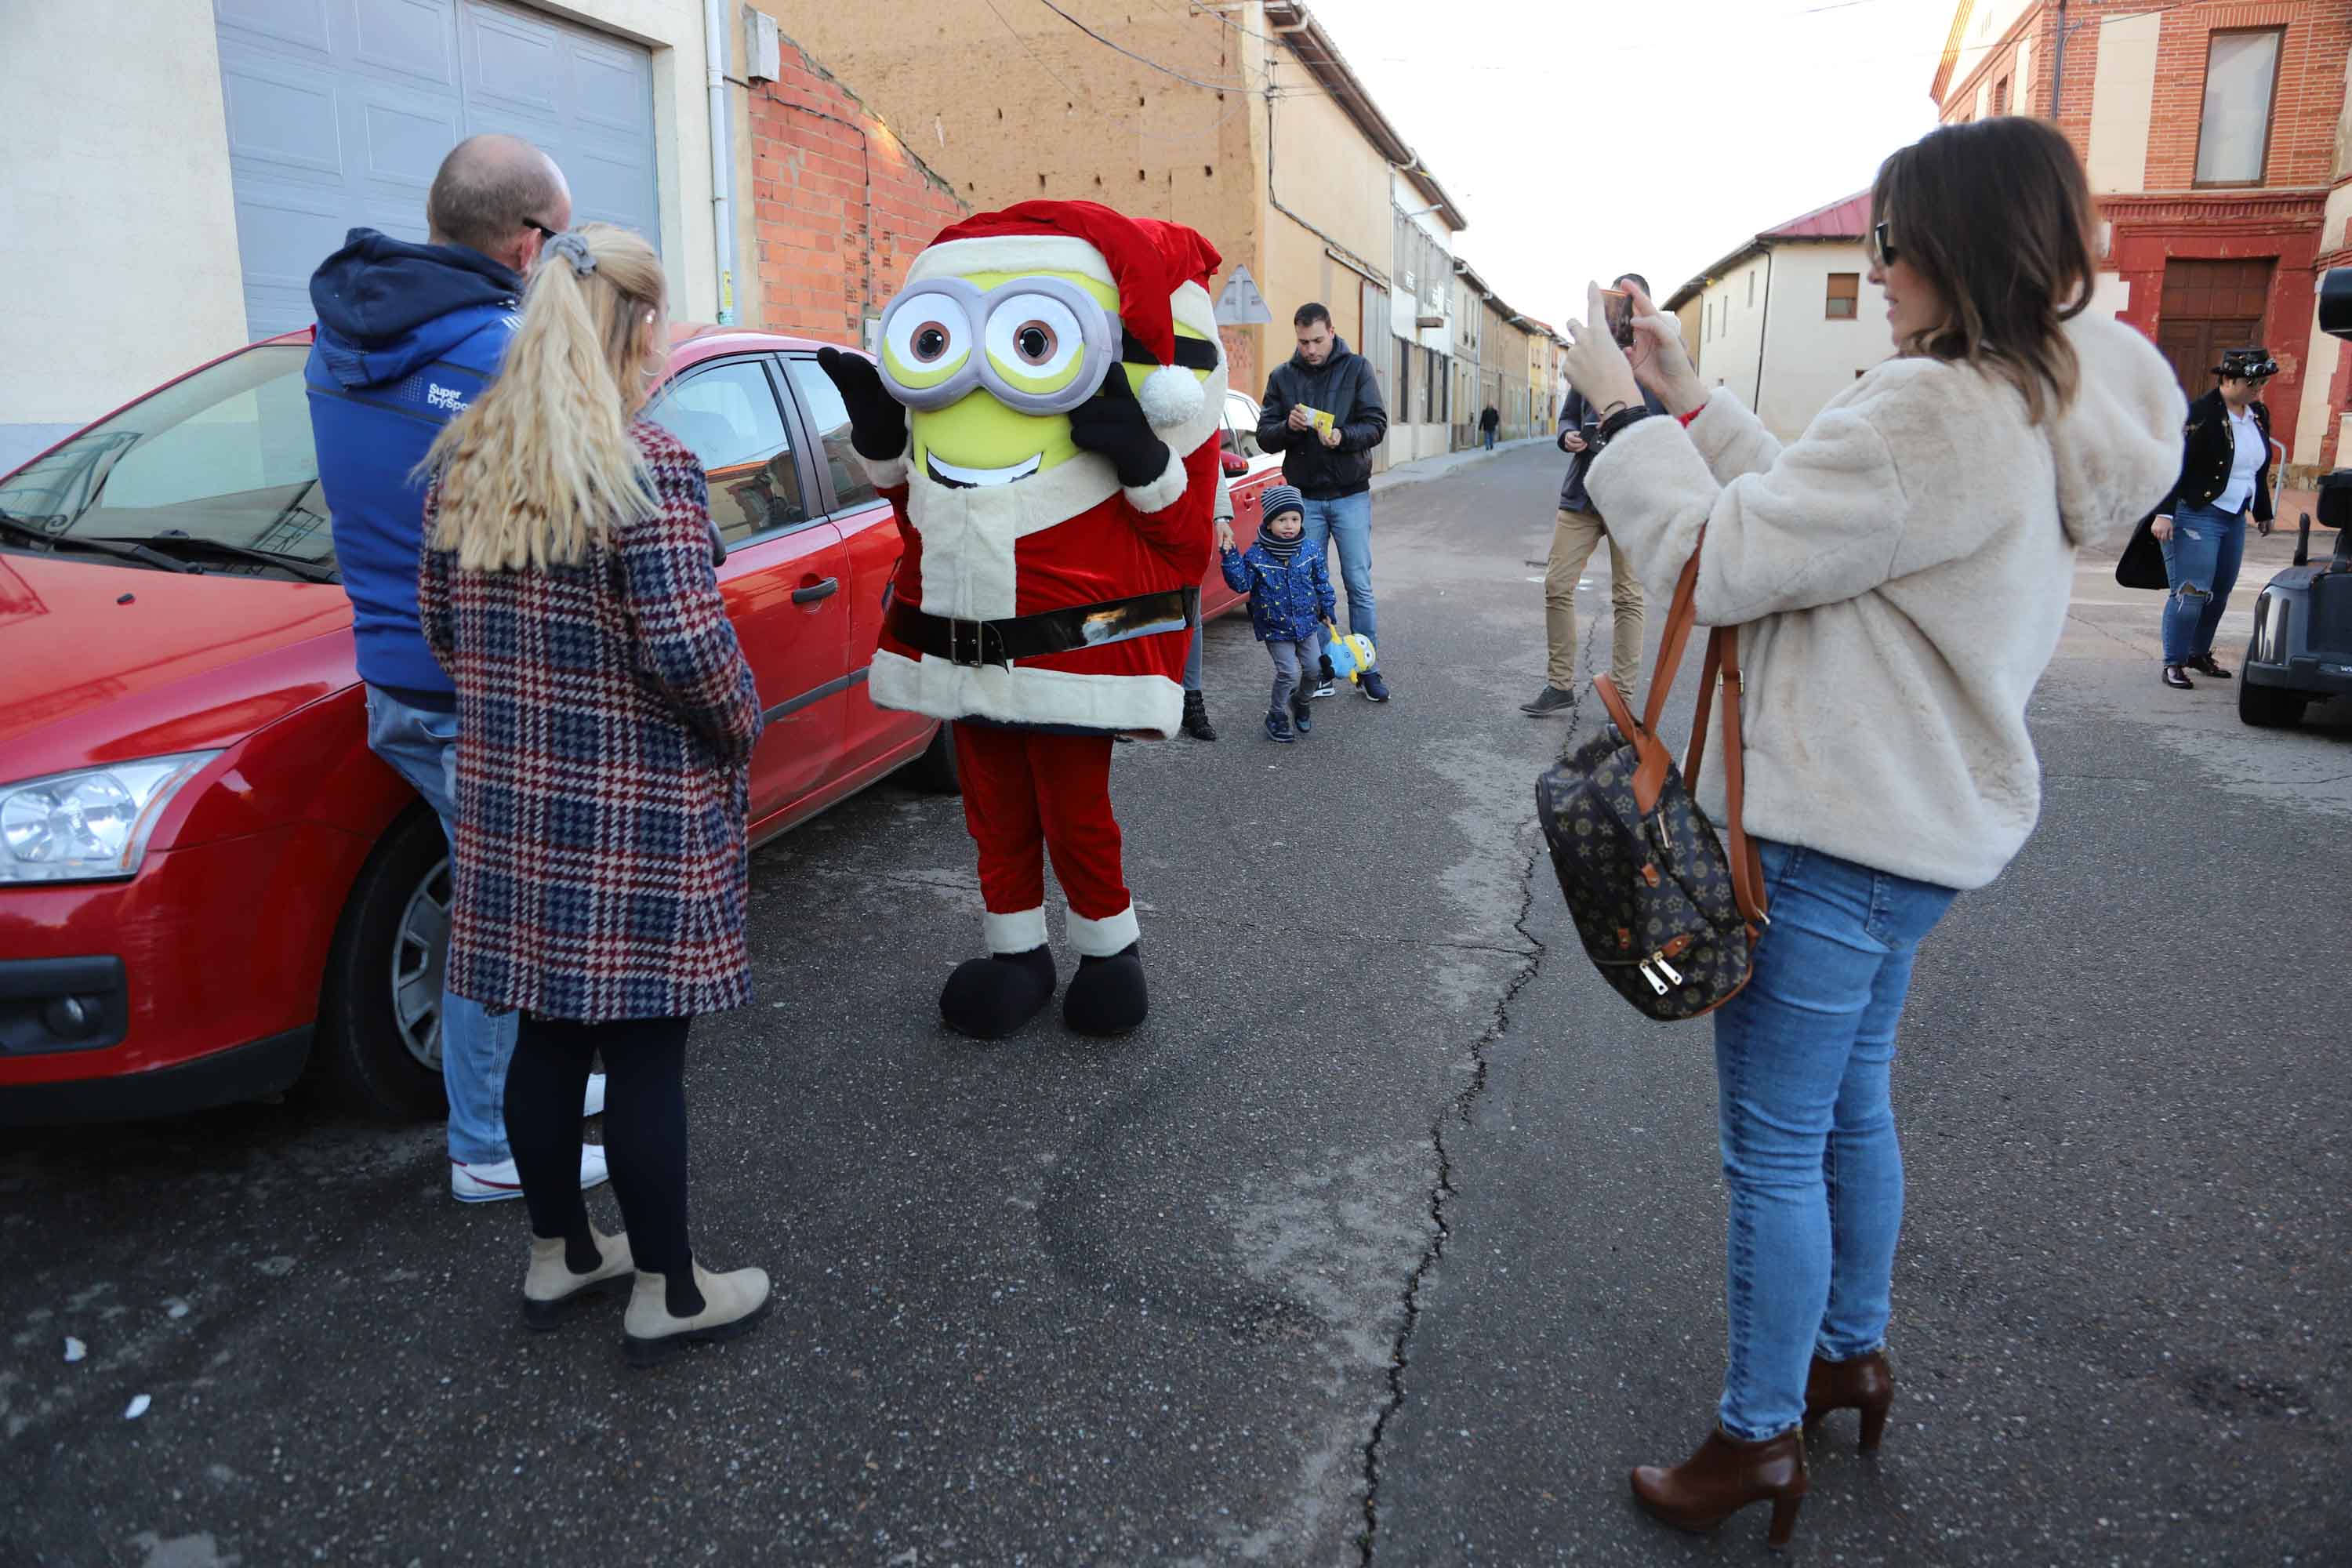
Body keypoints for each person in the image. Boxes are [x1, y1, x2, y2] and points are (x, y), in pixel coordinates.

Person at [1556, 116, 2182, 1548]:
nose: (1880, 268)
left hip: (1830, 840)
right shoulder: (2013, 400)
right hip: (1914, 837)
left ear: (1955, 249)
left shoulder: (1931, 412)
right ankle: (1848, 1353)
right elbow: (1824, 511)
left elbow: (1721, 559)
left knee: (1775, 1152)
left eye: (1892, 245)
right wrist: (1693, 395)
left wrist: (1623, 423)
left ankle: (1760, 1435)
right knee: (1851, 1108)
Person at [416, 222, 771, 1366]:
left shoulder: (468, 454)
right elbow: (686, 647)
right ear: (636, 324)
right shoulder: (647, 462)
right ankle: (668, 1289)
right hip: (633, 811)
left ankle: (561, 1251)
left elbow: (440, 631)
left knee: (548, 1039)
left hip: (519, 806)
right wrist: (740, 726)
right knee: (648, 1055)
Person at [815, 200, 1228, 1042]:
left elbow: (1182, 549)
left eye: (1033, 342)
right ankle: (1018, 955)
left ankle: (1110, 951)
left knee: (1075, 812)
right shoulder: (941, 434)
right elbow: (920, 528)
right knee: (994, 813)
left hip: (1071, 661)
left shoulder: (1139, 427)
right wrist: (883, 442)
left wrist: (1141, 453)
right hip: (966, 658)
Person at [304, 133, 608, 1203]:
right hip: (484, 688)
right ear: (530, 244)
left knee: (496, 892)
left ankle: (533, 1096)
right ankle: (488, 1146)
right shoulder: (499, 357)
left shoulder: (337, 336)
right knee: (507, 911)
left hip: (396, 675)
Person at [1523, 272, 1662, 718]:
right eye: (1613, 301)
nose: (1618, 311)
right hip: (1583, 490)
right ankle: (1560, 684)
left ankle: (1621, 697)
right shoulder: (1590, 359)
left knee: (1628, 596)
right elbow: (1566, 418)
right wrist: (1568, 438)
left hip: (1631, 497)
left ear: (1642, 308)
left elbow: (1673, 425)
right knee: (1557, 584)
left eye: (1627, 303)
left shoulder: (1659, 362)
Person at [1257, 303, 1392, 702]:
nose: (1311, 349)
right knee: (1306, 587)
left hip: (1350, 493)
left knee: (1358, 584)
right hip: (1305, 500)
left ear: (1332, 332)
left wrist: (1343, 437)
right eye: (1303, 342)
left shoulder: (1358, 368)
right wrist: (1289, 427)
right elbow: (1265, 435)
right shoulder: (1283, 376)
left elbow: (1377, 424)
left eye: (1317, 340)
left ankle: (1368, 667)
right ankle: (1323, 669)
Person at [2150, 346, 2278, 690]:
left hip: (2235, 514)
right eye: (2252, 382)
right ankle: (2174, 661)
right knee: (2192, 592)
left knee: (2219, 592)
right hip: (2196, 513)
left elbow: (2256, 469)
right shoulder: (2199, 414)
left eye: (2261, 382)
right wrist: (2164, 512)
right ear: (2228, 379)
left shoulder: (2257, 415)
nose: (2258, 388)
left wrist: (2262, 511)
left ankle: (2198, 652)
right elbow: (2171, 465)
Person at [1218, 485, 1334, 742]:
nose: (1289, 525)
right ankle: (1277, 714)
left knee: (1314, 669)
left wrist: (1326, 607)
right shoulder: (1257, 555)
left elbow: (1322, 582)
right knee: (1288, 673)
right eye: (1282, 520)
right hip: (1274, 627)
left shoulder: (1310, 550)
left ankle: (1301, 701)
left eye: (1295, 519)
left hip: (1306, 624)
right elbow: (1241, 584)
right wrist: (1230, 555)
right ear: (1269, 523)